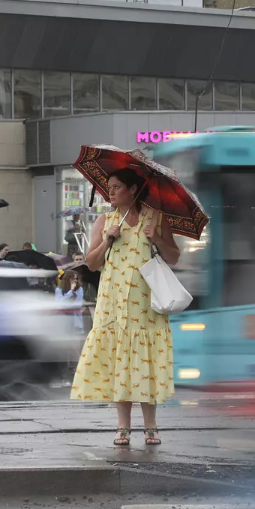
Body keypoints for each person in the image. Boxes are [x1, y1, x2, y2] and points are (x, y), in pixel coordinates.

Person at [72, 168, 180, 447]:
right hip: (114, 304)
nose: (111, 192)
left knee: (146, 363)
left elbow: (174, 256)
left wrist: (155, 238)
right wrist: (108, 239)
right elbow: (92, 263)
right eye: (109, 187)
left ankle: (151, 426)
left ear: (133, 189)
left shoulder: (155, 218)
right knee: (121, 361)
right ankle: (122, 426)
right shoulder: (105, 221)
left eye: (117, 186)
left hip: (147, 306)